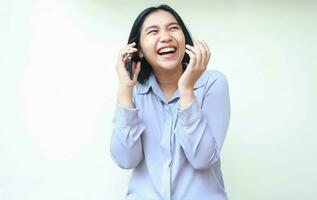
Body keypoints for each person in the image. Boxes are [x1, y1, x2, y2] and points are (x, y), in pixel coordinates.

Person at [110, 4, 230, 200]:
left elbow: (201, 159)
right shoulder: (133, 91)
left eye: (173, 28)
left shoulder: (212, 83)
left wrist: (187, 90)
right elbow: (125, 159)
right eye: (153, 31)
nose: (166, 37)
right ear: (138, 50)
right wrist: (125, 90)